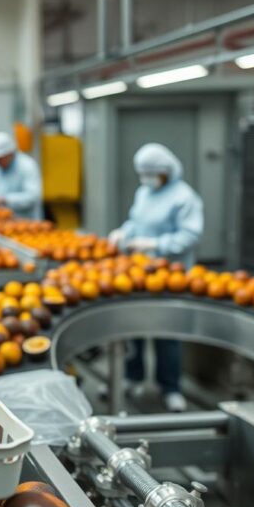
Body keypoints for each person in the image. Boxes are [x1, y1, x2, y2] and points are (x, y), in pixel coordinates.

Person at [109, 143, 204, 412]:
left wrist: (155, 245)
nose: (148, 179)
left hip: (170, 275)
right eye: (143, 174)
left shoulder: (185, 197)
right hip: (140, 272)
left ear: (167, 170)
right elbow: (135, 222)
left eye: (153, 174)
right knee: (135, 327)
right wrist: (123, 233)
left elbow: (190, 236)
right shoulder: (144, 192)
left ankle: (171, 387)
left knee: (167, 333)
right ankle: (133, 376)